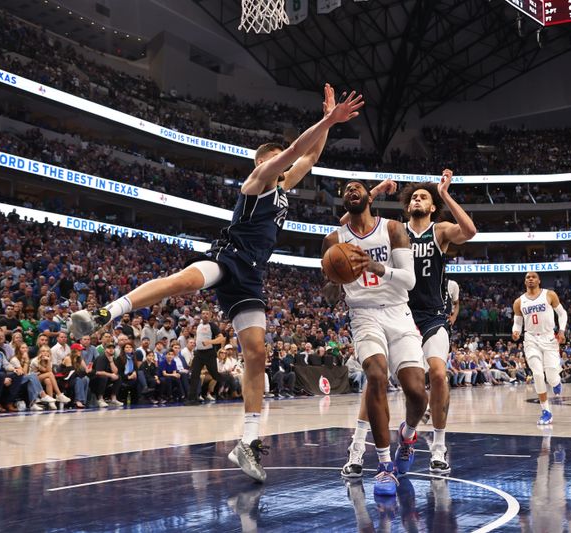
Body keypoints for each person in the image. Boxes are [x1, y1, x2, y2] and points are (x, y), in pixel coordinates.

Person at [69, 83, 364, 482]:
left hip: (253, 275)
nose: (284, 165)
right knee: (183, 282)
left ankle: (248, 441)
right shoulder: (257, 182)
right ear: (263, 163)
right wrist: (327, 120)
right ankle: (108, 312)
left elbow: (308, 158)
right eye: (277, 161)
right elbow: (296, 152)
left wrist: (329, 122)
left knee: (257, 352)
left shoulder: (282, 189)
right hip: (227, 258)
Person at [341, 170, 476, 477]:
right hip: (394, 310)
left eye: (423, 197)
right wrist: (374, 192)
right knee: (374, 378)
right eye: (413, 196)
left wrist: (444, 194)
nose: (417, 198)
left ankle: (436, 446)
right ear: (406, 206)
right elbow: (348, 224)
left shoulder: (439, 231)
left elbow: (470, 231)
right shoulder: (394, 230)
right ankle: (358, 447)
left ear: (431, 207)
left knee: (439, 375)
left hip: (430, 315)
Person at [323, 179, 427, 496]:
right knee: (377, 375)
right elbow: (329, 297)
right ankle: (384, 467)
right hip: (363, 313)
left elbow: (408, 281)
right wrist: (336, 278)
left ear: (369, 197)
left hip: (398, 311)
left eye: (356, 187)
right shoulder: (333, 240)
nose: (350, 191)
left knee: (417, 393)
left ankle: (407, 436)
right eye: (345, 189)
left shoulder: (394, 229)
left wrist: (373, 266)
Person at [512, 272, 567, 425]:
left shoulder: (549, 295)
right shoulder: (519, 302)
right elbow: (517, 323)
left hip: (549, 338)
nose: (530, 279)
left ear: (539, 280)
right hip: (530, 339)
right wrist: (515, 331)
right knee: (537, 374)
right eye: (527, 277)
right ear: (524, 282)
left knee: (551, 376)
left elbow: (562, 314)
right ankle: (546, 411)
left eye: (533, 277)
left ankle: (556, 382)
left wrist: (561, 330)